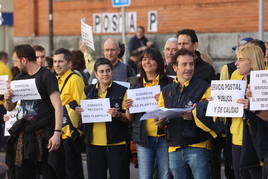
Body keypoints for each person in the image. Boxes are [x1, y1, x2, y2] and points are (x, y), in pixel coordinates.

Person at [4, 44, 63, 179]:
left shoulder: (46, 76)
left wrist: (57, 133)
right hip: (25, 136)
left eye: (16, 60)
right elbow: (10, 107)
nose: (15, 64)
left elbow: (58, 106)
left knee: (49, 173)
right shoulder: (19, 78)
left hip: (45, 134)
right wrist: (8, 99)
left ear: (24, 60)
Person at [157, 49, 217, 179]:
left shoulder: (205, 88)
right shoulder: (165, 91)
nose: (189, 68)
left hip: (199, 146)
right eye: (184, 64)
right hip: (174, 147)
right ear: (175, 67)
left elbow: (213, 117)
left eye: (191, 64)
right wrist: (161, 122)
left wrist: (195, 115)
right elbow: (161, 115)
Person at [77, 58, 130, 179]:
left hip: (116, 143)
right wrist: (80, 112)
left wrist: (118, 115)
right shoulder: (87, 90)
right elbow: (82, 114)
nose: (105, 74)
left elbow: (128, 119)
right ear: (96, 74)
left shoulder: (122, 90)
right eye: (101, 71)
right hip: (93, 145)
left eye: (108, 71)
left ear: (112, 72)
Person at [125, 48, 173, 179]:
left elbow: (174, 110)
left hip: (164, 137)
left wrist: (164, 101)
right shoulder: (135, 85)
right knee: (145, 176)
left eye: (151, 58)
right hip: (143, 139)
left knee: (165, 176)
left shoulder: (169, 83)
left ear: (158, 62)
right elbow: (130, 118)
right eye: (144, 59)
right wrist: (128, 108)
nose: (147, 62)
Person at [229, 44, 266, 179]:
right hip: (244, 139)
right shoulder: (241, 82)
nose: (236, 63)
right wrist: (217, 101)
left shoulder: (262, 82)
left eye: (241, 59)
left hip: (259, 142)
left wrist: (252, 105)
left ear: (252, 61)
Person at [53, 48, 85, 179]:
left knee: (73, 172)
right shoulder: (56, 79)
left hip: (70, 135)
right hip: (58, 133)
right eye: (55, 61)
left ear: (69, 63)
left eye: (60, 61)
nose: (57, 65)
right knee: (60, 171)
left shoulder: (75, 79)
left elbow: (82, 105)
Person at [0, 51, 12, 152]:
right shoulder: (5, 68)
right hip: (3, 102)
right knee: (4, 124)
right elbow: (10, 86)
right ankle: (3, 145)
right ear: (4, 58)